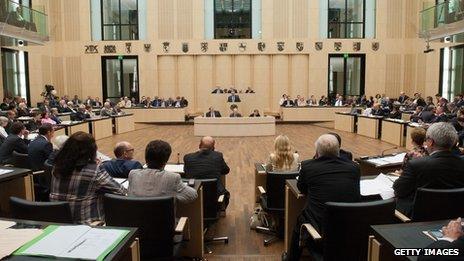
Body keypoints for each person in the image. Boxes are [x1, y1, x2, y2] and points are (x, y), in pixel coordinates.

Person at [284, 134, 360, 261]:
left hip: (321, 232)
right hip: (349, 228)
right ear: (338, 150)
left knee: (300, 219)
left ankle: (291, 258)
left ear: (317, 152)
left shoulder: (308, 166)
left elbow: (302, 188)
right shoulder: (354, 167)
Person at [50, 132, 127, 224]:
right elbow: (121, 191)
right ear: (92, 150)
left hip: (59, 223)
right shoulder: (94, 170)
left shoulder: (56, 167)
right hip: (87, 225)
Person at [393, 122, 464, 216]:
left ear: (430, 142)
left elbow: (399, 190)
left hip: (417, 218)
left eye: (426, 140)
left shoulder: (416, 165)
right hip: (455, 216)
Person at [128, 140, 197, 203]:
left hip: (135, 216)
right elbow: (193, 195)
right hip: (163, 216)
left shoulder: (133, 174)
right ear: (166, 161)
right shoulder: (173, 177)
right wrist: (174, 198)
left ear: (146, 158)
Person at [184, 136, 230, 209]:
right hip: (214, 196)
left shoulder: (188, 157)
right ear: (213, 148)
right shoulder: (218, 156)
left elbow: (186, 172)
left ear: (199, 146)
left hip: (193, 196)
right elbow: (226, 170)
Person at [28, 124, 54, 201]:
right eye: (53, 132)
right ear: (49, 132)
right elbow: (51, 161)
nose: (53, 135)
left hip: (34, 173)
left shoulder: (33, 141)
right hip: (43, 175)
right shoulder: (46, 144)